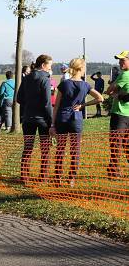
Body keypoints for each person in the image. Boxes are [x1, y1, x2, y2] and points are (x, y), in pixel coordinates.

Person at [50, 58, 103, 186]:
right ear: (81, 69)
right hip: (76, 120)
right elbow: (100, 98)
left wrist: (52, 124)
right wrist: (83, 105)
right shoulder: (85, 85)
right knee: (75, 150)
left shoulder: (64, 84)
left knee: (60, 149)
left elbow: (56, 105)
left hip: (62, 119)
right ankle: (71, 178)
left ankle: (57, 178)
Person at [17, 54, 53, 182]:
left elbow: (19, 98)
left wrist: (30, 103)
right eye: (50, 66)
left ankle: (24, 176)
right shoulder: (45, 79)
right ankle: (43, 176)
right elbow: (47, 103)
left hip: (28, 118)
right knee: (45, 148)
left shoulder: (26, 78)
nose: (50, 69)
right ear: (43, 65)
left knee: (27, 147)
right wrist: (51, 121)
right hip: (43, 119)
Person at [105, 51, 129, 178]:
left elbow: (109, 91)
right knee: (127, 144)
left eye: (123, 60)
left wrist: (114, 91)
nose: (120, 62)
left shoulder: (124, 74)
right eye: (119, 60)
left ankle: (114, 171)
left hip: (119, 114)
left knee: (116, 143)